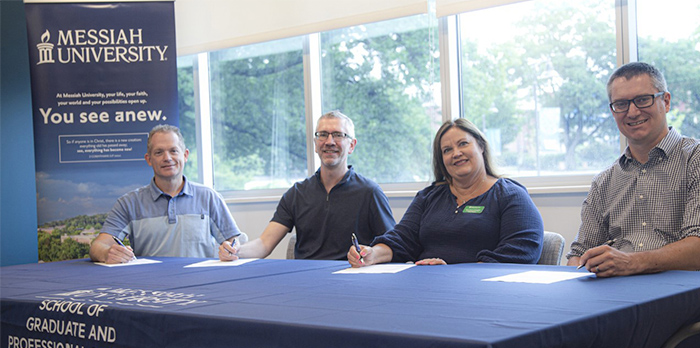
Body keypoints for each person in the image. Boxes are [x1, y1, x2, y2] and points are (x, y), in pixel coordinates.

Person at [347, 118, 544, 267]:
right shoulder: (428, 197)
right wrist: (371, 254)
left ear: (481, 146)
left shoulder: (510, 195)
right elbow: (402, 239)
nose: (456, 153)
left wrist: (452, 273)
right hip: (428, 288)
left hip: (486, 295)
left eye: (463, 144)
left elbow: (522, 250)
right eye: (447, 150)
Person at [566, 62, 700, 277]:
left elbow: (697, 249)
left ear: (665, 102)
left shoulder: (695, 160)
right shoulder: (604, 182)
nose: (632, 112)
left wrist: (630, 262)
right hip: (615, 297)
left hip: (681, 295)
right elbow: (579, 254)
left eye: (642, 100)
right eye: (620, 104)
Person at [219, 110, 396, 261]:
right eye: (323, 135)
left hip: (352, 280)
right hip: (304, 282)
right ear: (315, 144)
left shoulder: (370, 193)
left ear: (351, 145)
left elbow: (392, 246)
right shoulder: (296, 193)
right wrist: (236, 251)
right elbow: (264, 244)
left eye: (338, 135)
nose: (329, 141)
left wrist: (369, 255)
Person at [89, 124, 243, 263]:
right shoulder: (129, 203)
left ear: (185, 155)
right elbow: (98, 245)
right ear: (148, 159)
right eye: (159, 152)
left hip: (201, 285)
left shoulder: (209, 197)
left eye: (173, 151)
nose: (167, 158)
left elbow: (234, 242)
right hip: (150, 287)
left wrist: (232, 249)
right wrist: (107, 253)